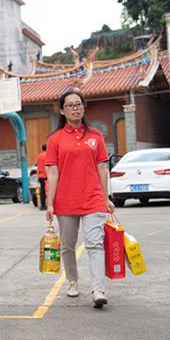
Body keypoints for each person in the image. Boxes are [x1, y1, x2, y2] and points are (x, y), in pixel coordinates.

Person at [45, 89, 114, 308]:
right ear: (62, 111)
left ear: (84, 107)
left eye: (79, 104)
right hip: (65, 201)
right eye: (70, 105)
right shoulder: (55, 139)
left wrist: (107, 197)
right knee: (67, 245)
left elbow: (102, 168)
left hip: (93, 199)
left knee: (95, 244)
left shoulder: (95, 136)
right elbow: (53, 173)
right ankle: (72, 281)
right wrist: (49, 203)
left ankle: (98, 289)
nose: (75, 108)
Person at [35, 144, 47, 211]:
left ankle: (43, 206)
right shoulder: (49, 156)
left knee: (42, 191)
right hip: (48, 176)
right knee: (50, 191)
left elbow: (37, 166)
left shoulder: (39, 156)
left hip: (41, 176)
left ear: (42, 149)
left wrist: (38, 176)